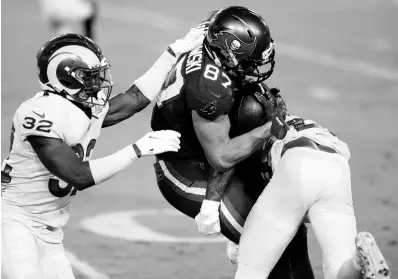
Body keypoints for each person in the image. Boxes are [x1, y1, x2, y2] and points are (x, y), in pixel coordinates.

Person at [1, 27, 205, 279]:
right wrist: (136, 150)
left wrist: (173, 53)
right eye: (89, 76)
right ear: (65, 78)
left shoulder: (82, 106)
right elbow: (77, 175)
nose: (98, 82)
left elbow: (133, 100)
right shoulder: (39, 113)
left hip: (49, 231)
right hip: (14, 222)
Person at [151, 6, 313, 279]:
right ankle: (237, 232)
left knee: (287, 225)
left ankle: (242, 239)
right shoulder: (209, 86)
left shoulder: (214, 35)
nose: (254, 67)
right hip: (187, 170)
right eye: (248, 61)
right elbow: (221, 158)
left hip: (214, 150)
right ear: (226, 53)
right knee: (278, 244)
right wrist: (268, 128)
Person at [231, 84, 391, 279]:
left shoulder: (251, 138)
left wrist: (238, 242)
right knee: (339, 268)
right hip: (336, 167)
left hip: (297, 164)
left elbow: (247, 200)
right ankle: (358, 261)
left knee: (251, 268)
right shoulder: (292, 120)